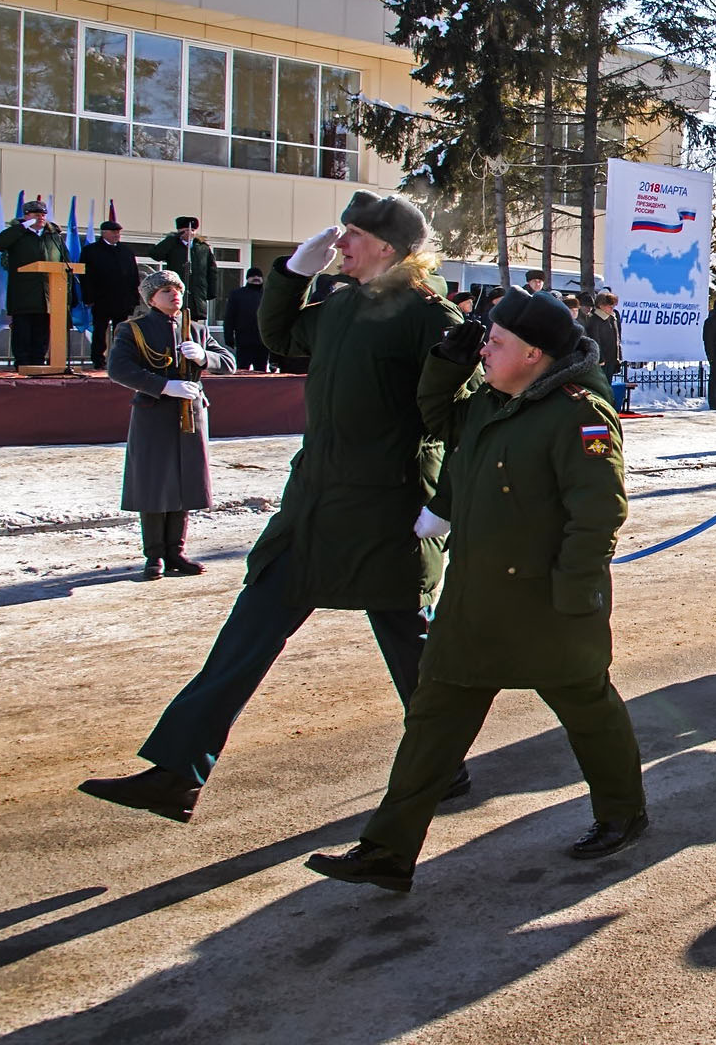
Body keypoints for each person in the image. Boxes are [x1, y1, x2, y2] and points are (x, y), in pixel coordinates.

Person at [78, 191, 468, 824]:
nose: (339, 245)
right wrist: (291, 276)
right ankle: (177, 771)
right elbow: (281, 335)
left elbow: (463, 421)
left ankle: (442, 763)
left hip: (388, 511)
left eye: (350, 237)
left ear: (388, 249)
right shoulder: (341, 305)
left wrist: (444, 505)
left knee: (412, 645)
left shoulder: (433, 318)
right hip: (313, 505)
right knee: (249, 629)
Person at [305, 289, 647, 891]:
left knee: (588, 710)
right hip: (475, 600)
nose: (485, 349)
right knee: (433, 721)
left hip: (546, 604)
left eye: (496, 342)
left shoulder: (580, 413)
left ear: (534, 354)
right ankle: (388, 850)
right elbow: (436, 415)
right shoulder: (490, 403)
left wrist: (573, 594)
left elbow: (598, 515)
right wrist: (449, 357)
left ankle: (622, 813)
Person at [107, 269, 237, 579]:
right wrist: (164, 386)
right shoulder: (134, 330)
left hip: (191, 412)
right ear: (151, 298)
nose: (174, 295)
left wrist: (205, 356)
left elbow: (228, 363)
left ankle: (176, 551)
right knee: (154, 483)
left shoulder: (196, 329)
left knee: (185, 481)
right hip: (155, 412)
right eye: (166, 291)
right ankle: (154, 555)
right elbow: (119, 369)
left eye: (177, 289)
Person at [0, 199, 70, 368]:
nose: (40, 217)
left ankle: (39, 363)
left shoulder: (53, 236)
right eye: (36, 214)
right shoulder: (18, 234)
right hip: (23, 293)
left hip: (48, 294)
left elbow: (65, 263)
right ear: (26, 216)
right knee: (23, 333)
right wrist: (21, 228)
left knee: (41, 334)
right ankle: (22, 363)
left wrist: (68, 291)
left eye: (43, 214)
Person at [79, 220, 141, 369]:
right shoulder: (91, 251)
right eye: (113, 232)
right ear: (104, 233)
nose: (116, 235)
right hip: (101, 299)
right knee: (100, 331)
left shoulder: (126, 251)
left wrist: (134, 298)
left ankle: (120, 359)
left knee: (121, 332)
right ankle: (98, 360)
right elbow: (85, 277)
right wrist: (88, 297)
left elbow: (134, 276)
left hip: (122, 299)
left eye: (118, 232)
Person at [147, 217, 220, 322]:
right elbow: (155, 254)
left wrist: (210, 293)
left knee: (193, 327)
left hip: (196, 296)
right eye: (186, 231)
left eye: (193, 230)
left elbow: (212, 271)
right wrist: (172, 239)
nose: (190, 233)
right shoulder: (173, 245)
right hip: (177, 295)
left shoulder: (202, 248)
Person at [223, 268, 269, 371]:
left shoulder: (268, 295)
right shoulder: (237, 294)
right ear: (247, 278)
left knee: (261, 371)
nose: (256, 278)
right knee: (242, 370)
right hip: (244, 340)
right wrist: (228, 336)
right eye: (253, 276)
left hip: (263, 341)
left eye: (259, 276)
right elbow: (229, 317)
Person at [582, 290, 622, 382]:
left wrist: (618, 357)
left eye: (613, 306)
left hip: (611, 359)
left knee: (608, 384)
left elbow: (617, 339)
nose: (612, 309)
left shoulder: (612, 318)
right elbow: (595, 340)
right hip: (602, 360)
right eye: (610, 306)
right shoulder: (594, 319)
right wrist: (600, 359)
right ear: (601, 305)